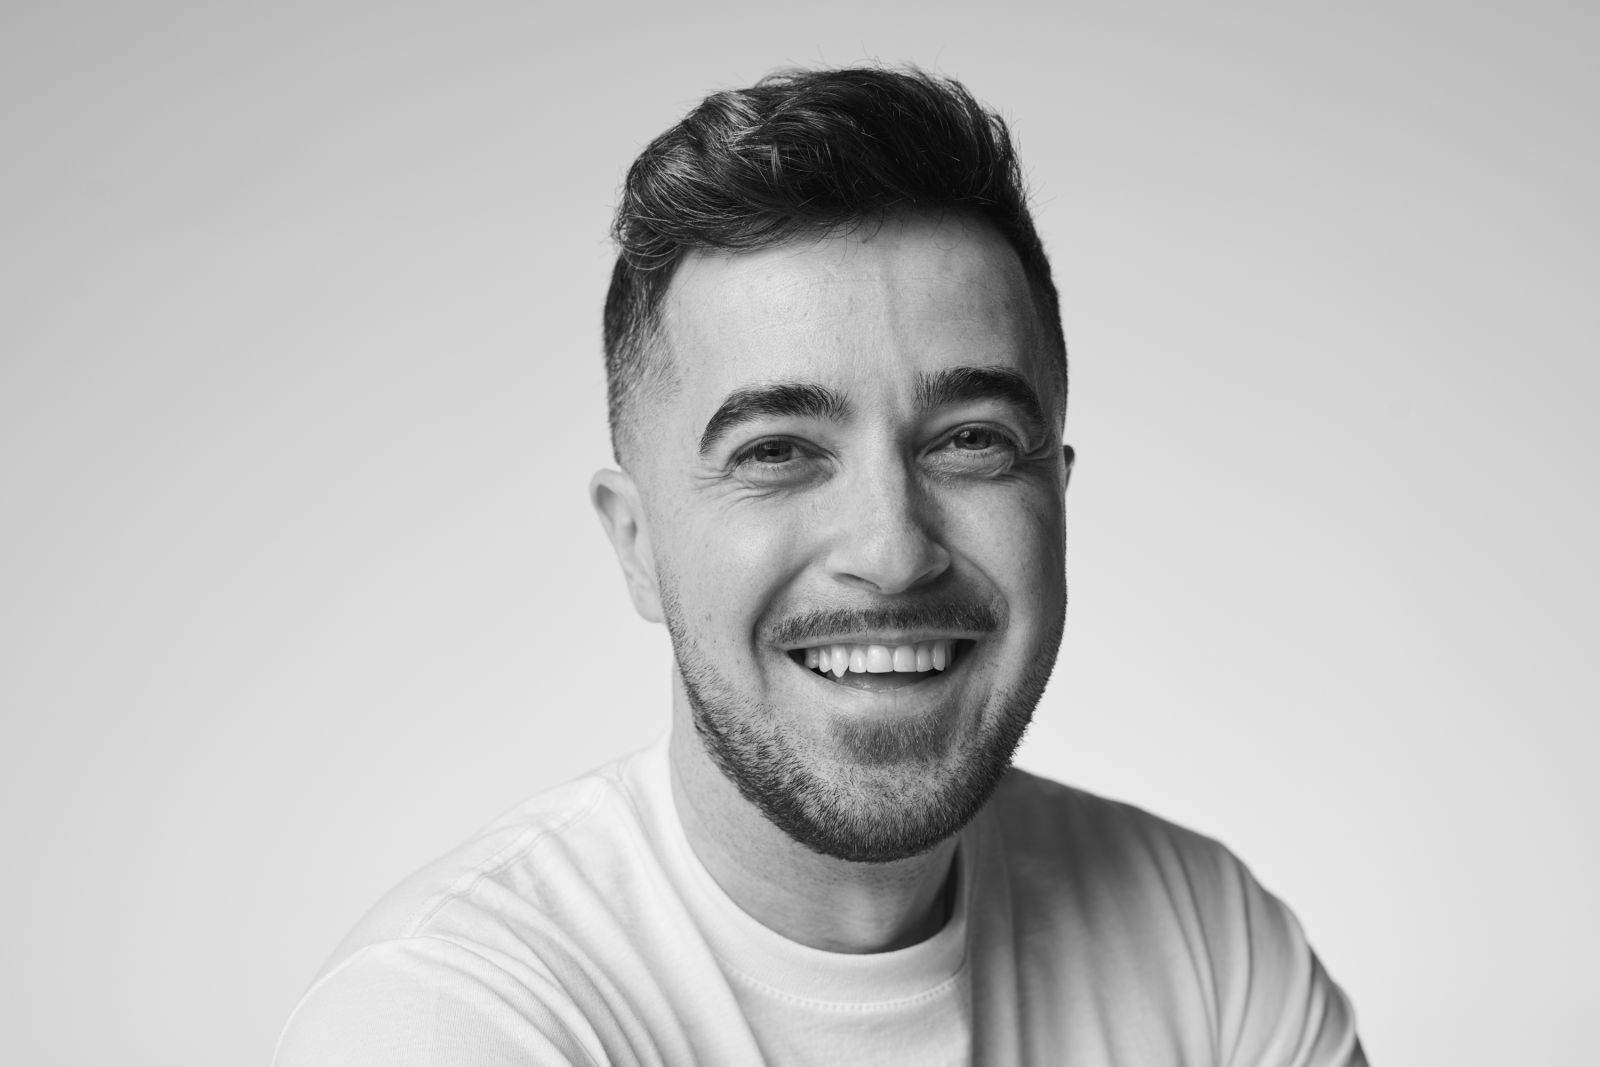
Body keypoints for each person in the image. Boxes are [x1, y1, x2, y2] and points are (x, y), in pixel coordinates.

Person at [275, 67, 1366, 1066]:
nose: (892, 553)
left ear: (1057, 501)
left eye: (971, 440)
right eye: (776, 453)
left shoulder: (1207, 941)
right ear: (636, 542)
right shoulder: (444, 1020)